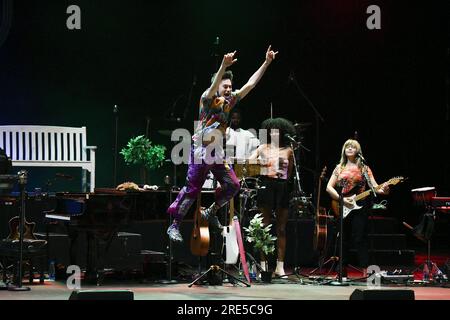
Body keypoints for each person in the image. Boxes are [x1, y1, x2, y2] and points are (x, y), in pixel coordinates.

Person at [167, 46, 278, 242]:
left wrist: (267, 63)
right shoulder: (207, 100)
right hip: (201, 151)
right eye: (224, 86)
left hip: (217, 153)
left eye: (229, 86)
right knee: (193, 189)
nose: (227, 89)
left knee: (233, 185)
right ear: (217, 86)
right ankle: (174, 225)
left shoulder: (230, 101)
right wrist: (223, 66)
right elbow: (211, 89)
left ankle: (211, 211)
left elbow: (250, 85)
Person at [326, 139, 389, 277]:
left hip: (360, 205)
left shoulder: (364, 168)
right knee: (343, 238)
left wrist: (384, 189)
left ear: (358, 151)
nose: (349, 148)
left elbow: (375, 187)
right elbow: (329, 187)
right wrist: (340, 198)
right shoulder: (339, 167)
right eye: (347, 146)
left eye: (353, 147)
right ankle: (342, 271)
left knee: (360, 237)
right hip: (344, 204)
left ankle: (366, 272)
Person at [249, 118, 295, 277]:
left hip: (282, 186)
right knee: (264, 226)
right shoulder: (263, 148)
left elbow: (289, 173)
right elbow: (249, 162)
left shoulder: (288, 150)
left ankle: (280, 266)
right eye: (272, 130)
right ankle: (263, 265)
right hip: (266, 185)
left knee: (281, 228)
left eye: (278, 130)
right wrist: (262, 165)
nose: (274, 133)